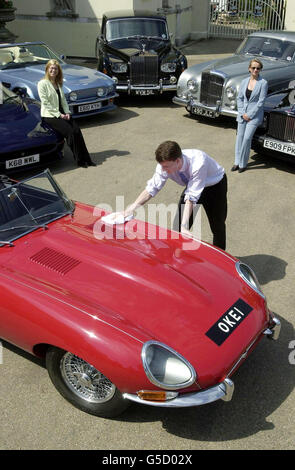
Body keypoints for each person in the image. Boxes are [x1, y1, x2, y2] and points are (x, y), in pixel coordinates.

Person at [123, 141, 228, 250]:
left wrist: (185, 225)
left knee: (217, 225)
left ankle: (222, 259)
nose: (163, 170)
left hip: (215, 186)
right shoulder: (164, 165)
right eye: (162, 166)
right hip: (192, 185)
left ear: (178, 161)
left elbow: (191, 197)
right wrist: (131, 208)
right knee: (177, 229)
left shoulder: (199, 162)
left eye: (166, 167)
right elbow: (152, 188)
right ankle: (177, 257)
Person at [37, 59, 95, 168]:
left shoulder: (58, 84)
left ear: (58, 71)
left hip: (63, 113)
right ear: (47, 69)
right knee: (71, 133)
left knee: (77, 130)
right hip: (50, 115)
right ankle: (79, 160)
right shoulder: (42, 83)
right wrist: (59, 115)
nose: (53, 70)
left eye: (56, 68)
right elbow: (45, 102)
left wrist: (67, 112)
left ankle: (87, 159)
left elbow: (63, 100)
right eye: (51, 68)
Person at [232, 58, 268, 173]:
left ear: (260, 69)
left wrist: (249, 114)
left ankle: (243, 163)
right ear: (249, 69)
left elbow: (261, 102)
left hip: (254, 115)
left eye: (258, 68)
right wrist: (243, 113)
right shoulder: (244, 81)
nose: (255, 70)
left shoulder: (263, 83)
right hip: (243, 115)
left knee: (247, 139)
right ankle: (237, 162)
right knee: (239, 138)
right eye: (253, 68)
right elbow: (240, 98)